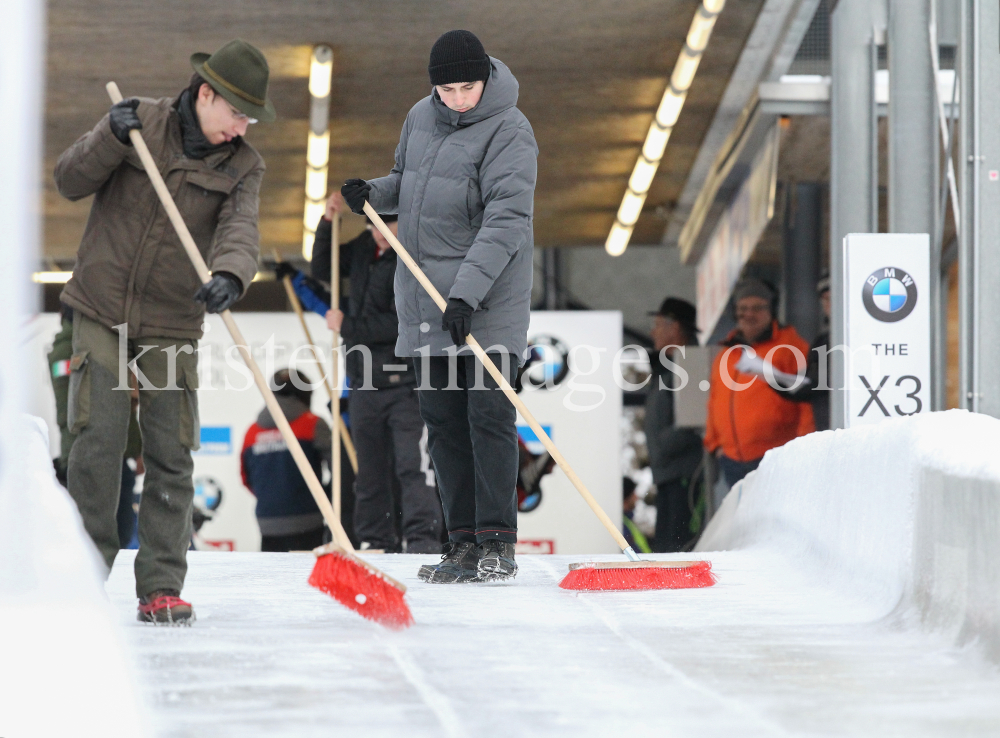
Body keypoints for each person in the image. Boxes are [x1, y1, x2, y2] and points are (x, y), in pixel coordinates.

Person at [54, 39, 274, 625]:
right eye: (237, 113)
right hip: (100, 309)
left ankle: (160, 585)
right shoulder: (139, 123)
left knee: (171, 450)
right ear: (207, 95)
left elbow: (240, 229)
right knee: (97, 443)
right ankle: (80, 575)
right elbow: (69, 181)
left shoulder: (243, 164)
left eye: (249, 117)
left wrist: (230, 275)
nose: (242, 126)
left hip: (172, 322)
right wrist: (108, 134)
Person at [340, 29, 538, 582]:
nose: (455, 99)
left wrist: (466, 293)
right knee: (442, 421)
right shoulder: (419, 117)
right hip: (428, 296)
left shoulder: (510, 130)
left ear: (485, 79)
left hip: (486, 300)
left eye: (465, 87)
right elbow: (408, 183)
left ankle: (498, 540)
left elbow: (507, 220)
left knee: (488, 416)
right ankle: (462, 542)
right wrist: (373, 194)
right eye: (446, 89)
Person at [278, 193, 443, 553]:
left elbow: (406, 324)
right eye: (374, 227)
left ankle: (422, 540)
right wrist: (326, 224)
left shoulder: (417, 261)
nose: (381, 235)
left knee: (411, 468)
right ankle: (375, 539)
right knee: (367, 471)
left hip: (407, 385)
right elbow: (325, 268)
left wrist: (349, 324)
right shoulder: (365, 247)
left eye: (388, 228)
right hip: (364, 384)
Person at [704, 278, 815, 489]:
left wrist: (802, 446)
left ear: (771, 310)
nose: (749, 314)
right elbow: (713, 401)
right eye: (743, 308)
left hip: (775, 456)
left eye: (757, 308)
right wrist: (714, 443)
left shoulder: (792, 346)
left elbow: (807, 399)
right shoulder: (726, 354)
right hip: (731, 461)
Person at [241, 369, 332, 552]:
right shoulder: (312, 424)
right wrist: (323, 497)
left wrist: (271, 498)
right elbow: (341, 470)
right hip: (309, 519)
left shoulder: (253, 432)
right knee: (307, 579)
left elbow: (246, 478)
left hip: (267, 521)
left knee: (273, 578)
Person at [644, 298, 704, 552]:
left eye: (658, 325)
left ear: (676, 328)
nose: (652, 332)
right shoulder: (668, 369)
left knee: (678, 551)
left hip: (685, 477)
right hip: (670, 475)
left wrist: (662, 445)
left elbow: (697, 421)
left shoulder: (691, 366)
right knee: (667, 551)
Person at [764, 274, 831, 431]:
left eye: (835, 297)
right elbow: (811, 385)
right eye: (826, 299)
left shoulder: (858, 337)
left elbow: (816, 383)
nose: (830, 305)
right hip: (826, 428)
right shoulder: (822, 341)